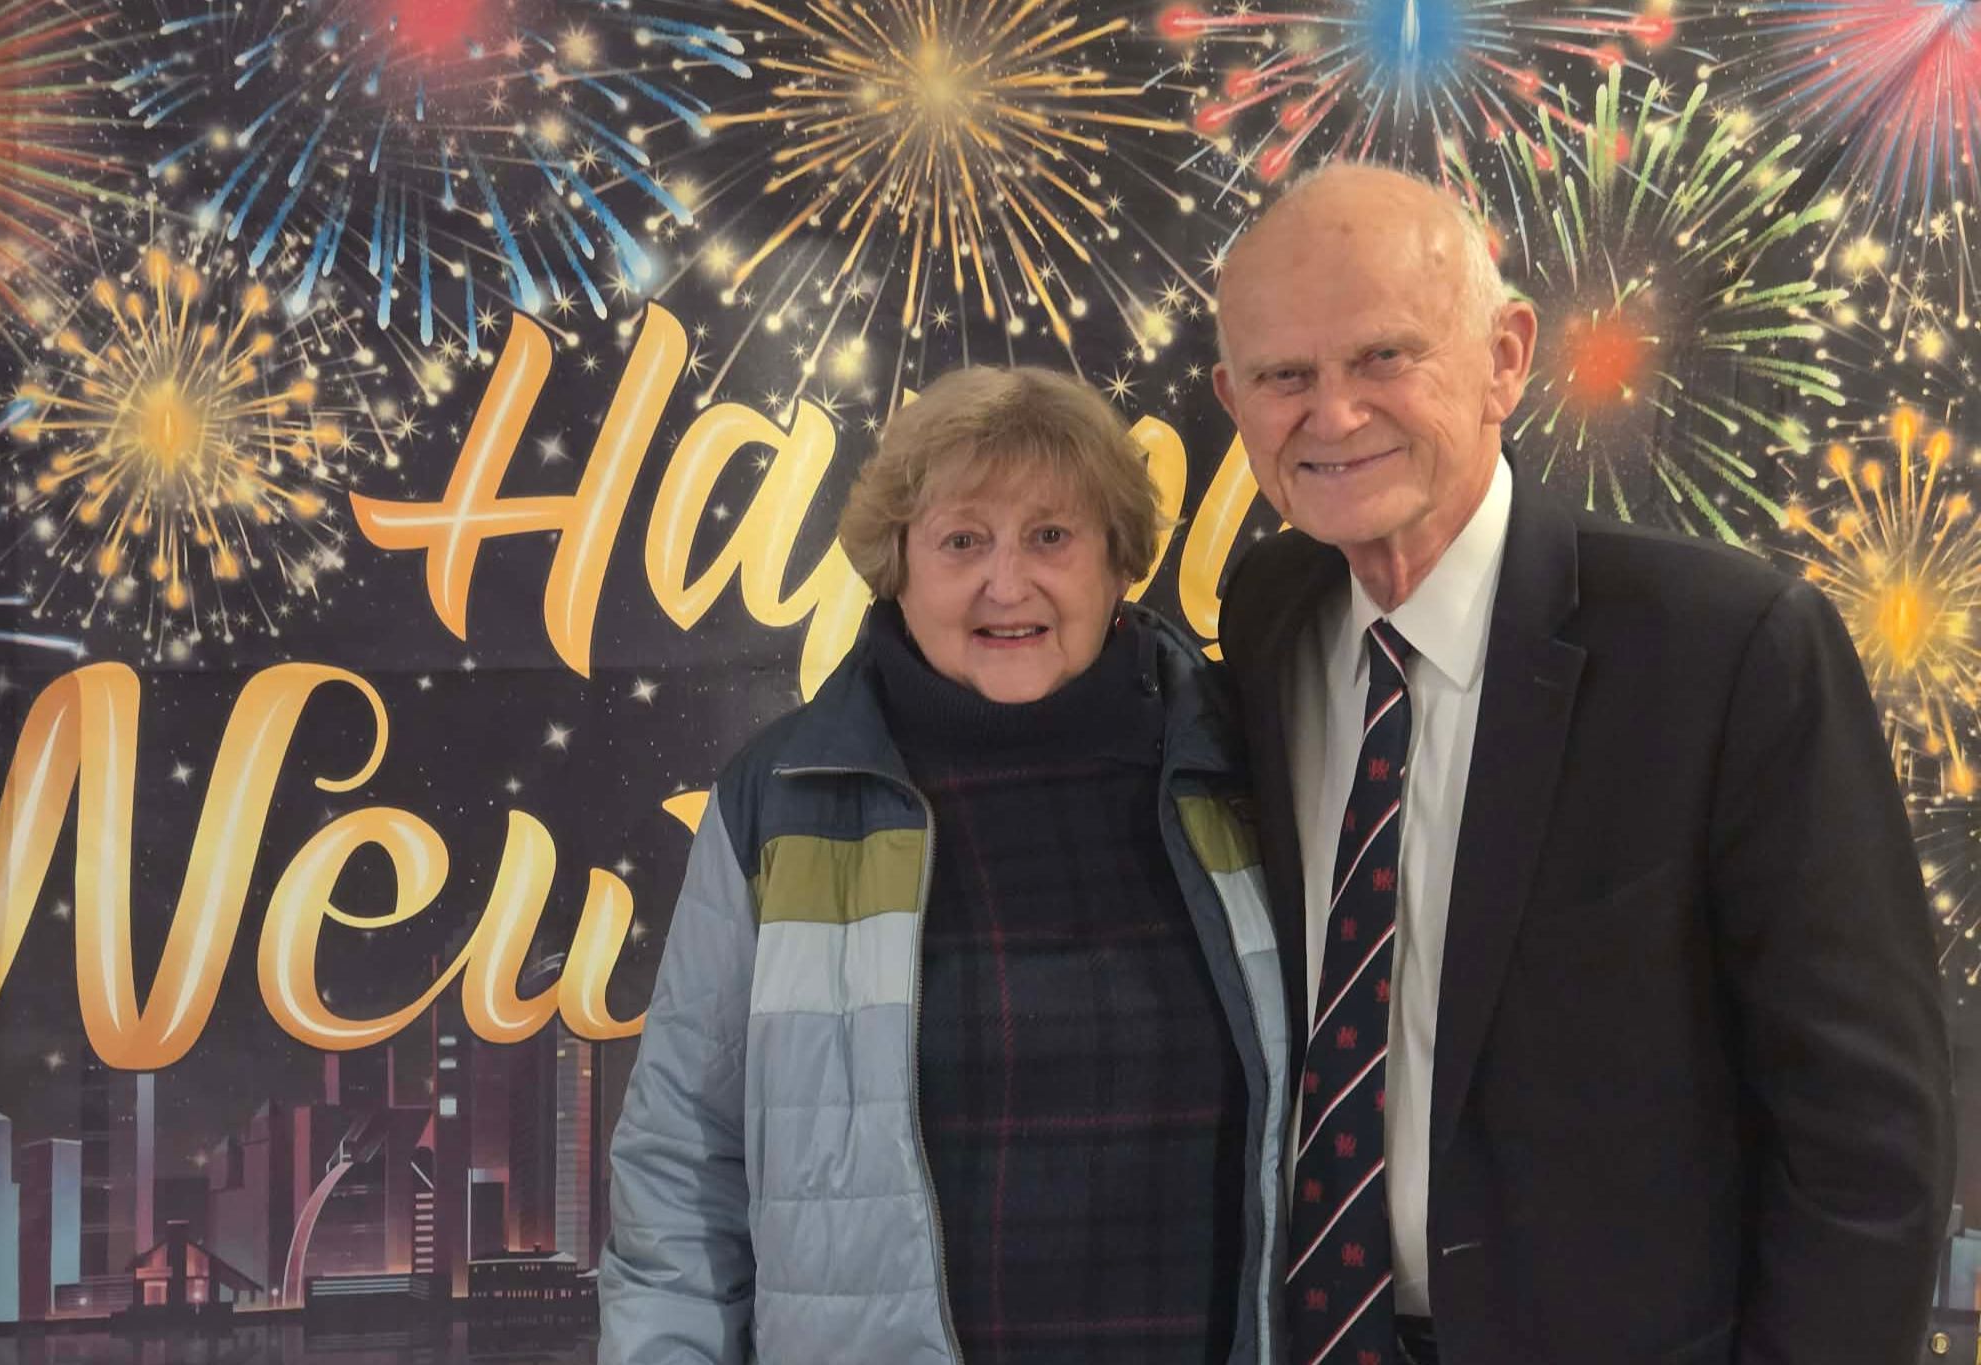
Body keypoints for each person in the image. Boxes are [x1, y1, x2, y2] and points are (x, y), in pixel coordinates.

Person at [1211, 162, 1952, 1365]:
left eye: (1383, 358)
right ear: (1231, 399)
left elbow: (1864, 1142)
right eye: (1283, 375)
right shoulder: (1268, 618)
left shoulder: (1724, 650)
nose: (1331, 414)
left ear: (1505, 357)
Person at [600, 365, 1291, 1365]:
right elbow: (680, 1169)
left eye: (1050, 537)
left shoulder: (1251, 763)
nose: (1005, 583)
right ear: (897, 563)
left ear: (1119, 560)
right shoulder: (783, 797)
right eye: (962, 541)